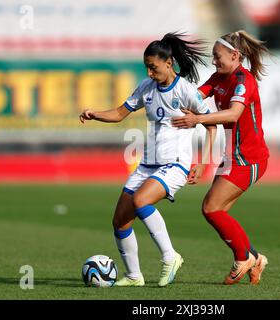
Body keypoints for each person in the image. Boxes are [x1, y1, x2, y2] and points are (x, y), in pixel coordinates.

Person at [79, 32, 214, 287]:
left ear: (168, 63)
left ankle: (170, 256)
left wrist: (203, 162)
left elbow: (211, 124)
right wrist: (95, 114)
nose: (150, 73)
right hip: (148, 164)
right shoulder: (146, 87)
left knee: (142, 200)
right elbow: (120, 113)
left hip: (175, 164)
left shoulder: (186, 90)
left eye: (153, 68)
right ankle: (133, 276)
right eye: (147, 68)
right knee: (120, 221)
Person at [171, 30, 271, 285]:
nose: (214, 61)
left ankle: (243, 258)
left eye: (217, 56)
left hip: (249, 158)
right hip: (233, 157)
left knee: (211, 208)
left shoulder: (244, 81)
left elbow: (233, 115)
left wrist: (197, 119)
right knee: (218, 213)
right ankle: (254, 257)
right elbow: (193, 98)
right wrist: (170, 83)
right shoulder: (218, 77)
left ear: (235, 55)